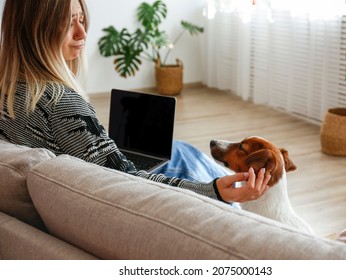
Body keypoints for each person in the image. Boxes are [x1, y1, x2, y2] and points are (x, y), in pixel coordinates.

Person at [0, 0, 270, 204]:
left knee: (176, 149)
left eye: (82, 19)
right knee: (184, 156)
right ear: (35, 30)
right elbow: (126, 181)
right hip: (112, 194)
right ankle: (241, 201)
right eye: (69, 22)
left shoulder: (8, 92)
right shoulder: (61, 103)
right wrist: (213, 191)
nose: (82, 33)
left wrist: (98, 143)